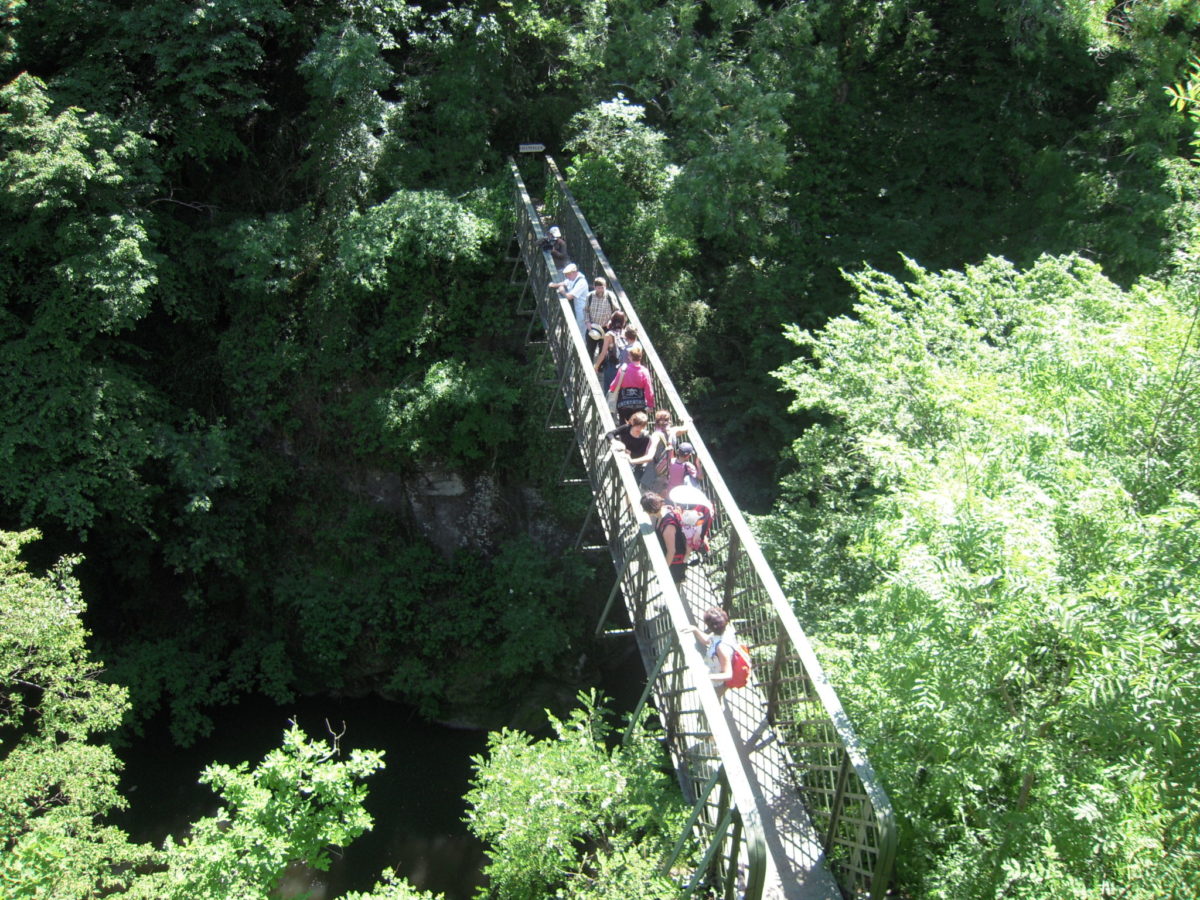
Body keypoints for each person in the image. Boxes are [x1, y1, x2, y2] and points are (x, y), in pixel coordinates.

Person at [641, 492, 687, 586]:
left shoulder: (668, 527)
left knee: (672, 589)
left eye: (645, 509)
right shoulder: (665, 510)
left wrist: (663, 572)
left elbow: (671, 551)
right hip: (670, 560)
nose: (644, 511)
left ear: (651, 510)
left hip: (674, 565)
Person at [685, 607, 736, 693]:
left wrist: (707, 677)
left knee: (712, 702)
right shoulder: (723, 631)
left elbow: (728, 675)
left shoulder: (722, 648)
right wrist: (695, 629)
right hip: (711, 671)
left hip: (716, 684)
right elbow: (708, 641)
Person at [640, 410, 690, 494]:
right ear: (669, 420)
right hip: (667, 469)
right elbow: (685, 428)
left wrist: (632, 460)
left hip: (652, 469)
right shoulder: (674, 431)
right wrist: (686, 419)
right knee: (661, 492)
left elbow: (650, 455)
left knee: (647, 492)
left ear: (656, 422)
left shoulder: (656, 435)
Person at [608, 345, 655, 423]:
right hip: (639, 404)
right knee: (639, 426)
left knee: (624, 426)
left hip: (624, 403)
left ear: (630, 357)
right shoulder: (644, 371)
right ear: (640, 357)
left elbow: (614, 385)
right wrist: (650, 404)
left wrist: (612, 391)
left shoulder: (623, 369)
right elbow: (649, 390)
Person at [607, 411, 655, 482]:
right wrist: (615, 442)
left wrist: (629, 453)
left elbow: (641, 454)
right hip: (621, 457)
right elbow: (609, 434)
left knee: (633, 481)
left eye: (642, 426)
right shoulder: (626, 428)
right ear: (632, 423)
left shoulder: (645, 438)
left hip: (635, 464)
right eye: (638, 425)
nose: (639, 428)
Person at [549, 262, 588, 337]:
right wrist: (554, 285)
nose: (567, 277)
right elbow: (565, 283)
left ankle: (583, 346)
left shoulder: (581, 282)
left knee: (581, 331)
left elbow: (570, 296)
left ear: (574, 272)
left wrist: (562, 291)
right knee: (577, 328)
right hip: (576, 308)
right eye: (566, 275)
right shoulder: (572, 278)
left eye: (568, 274)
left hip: (582, 310)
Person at [593, 310, 627, 390]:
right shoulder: (625, 333)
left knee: (610, 390)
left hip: (612, 366)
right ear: (623, 322)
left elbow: (603, 353)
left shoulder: (609, 335)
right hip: (625, 366)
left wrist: (596, 366)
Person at [584, 276, 615, 360]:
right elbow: (586, 310)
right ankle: (588, 367)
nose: (601, 290)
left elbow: (616, 311)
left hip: (605, 329)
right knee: (590, 349)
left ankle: (600, 369)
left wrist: (610, 321)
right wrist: (587, 322)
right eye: (599, 288)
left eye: (603, 287)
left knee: (603, 351)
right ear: (595, 287)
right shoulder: (589, 296)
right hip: (592, 327)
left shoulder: (610, 296)